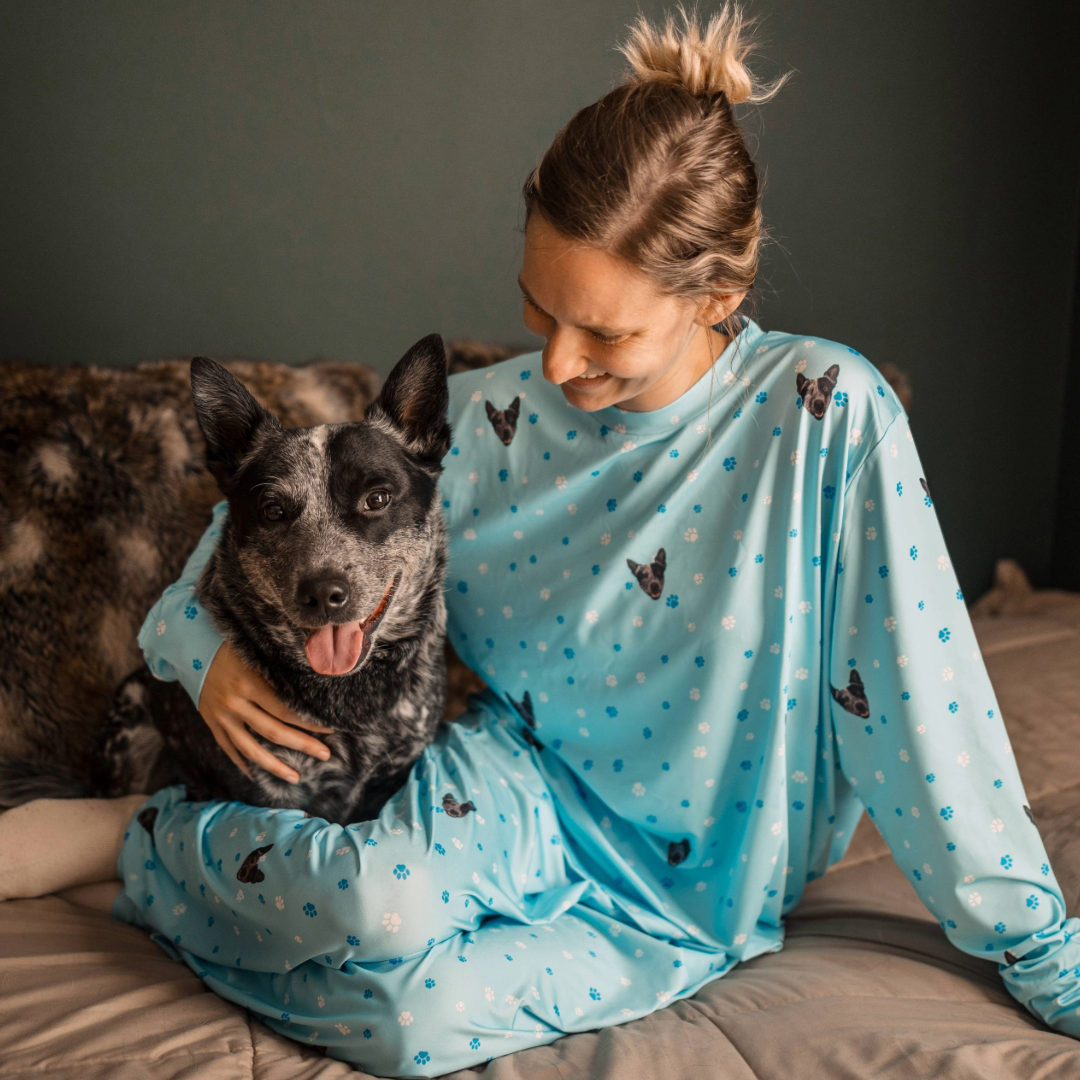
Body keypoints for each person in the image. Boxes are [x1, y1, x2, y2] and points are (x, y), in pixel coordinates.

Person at [27, 4, 1080, 1075]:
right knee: (374, 910)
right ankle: (146, 836)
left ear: (717, 294)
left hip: (690, 882)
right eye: (540, 312)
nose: (563, 365)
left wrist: (1046, 955)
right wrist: (200, 664)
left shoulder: (826, 419)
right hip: (510, 789)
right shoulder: (493, 419)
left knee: (411, 1027)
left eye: (607, 333)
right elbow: (231, 540)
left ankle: (159, 880)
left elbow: (924, 710)